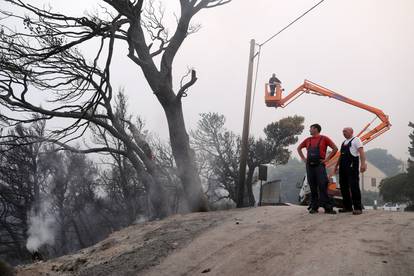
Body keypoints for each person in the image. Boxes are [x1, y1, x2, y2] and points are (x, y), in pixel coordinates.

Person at [297, 124, 338, 214]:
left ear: (316, 129)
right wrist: (304, 159)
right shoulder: (308, 140)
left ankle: (328, 208)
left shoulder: (324, 138)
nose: (309, 130)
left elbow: (335, 148)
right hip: (309, 166)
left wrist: (327, 159)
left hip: (319, 165)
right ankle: (314, 207)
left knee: (322, 185)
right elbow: (299, 148)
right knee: (312, 186)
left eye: (310, 128)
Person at [334, 127, 367, 215]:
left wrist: (363, 164)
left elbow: (361, 152)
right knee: (343, 187)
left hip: (352, 167)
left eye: (345, 131)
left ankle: (357, 208)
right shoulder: (344, 142)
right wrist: (336, 166)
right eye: (343, 131)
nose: (343, 133)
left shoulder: (356, 140)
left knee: (354, 187)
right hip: (343, 168)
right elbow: (341, 155)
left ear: (351, 132)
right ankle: (347, 207)